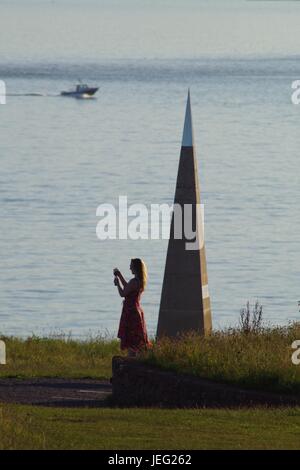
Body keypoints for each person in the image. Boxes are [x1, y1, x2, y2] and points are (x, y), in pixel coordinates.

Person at [114, 259, 151, 357]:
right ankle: (136, 360)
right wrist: (119, 275)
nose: (130, 268)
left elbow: (123, 293)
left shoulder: (134, 282)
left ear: (136, 268)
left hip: (130, 313)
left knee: (131, 340)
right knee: (137, 341)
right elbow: (127, 287)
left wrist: (117, 284)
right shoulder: (139, 281)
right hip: (137, 311)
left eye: (131, 266)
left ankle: (131, 361)